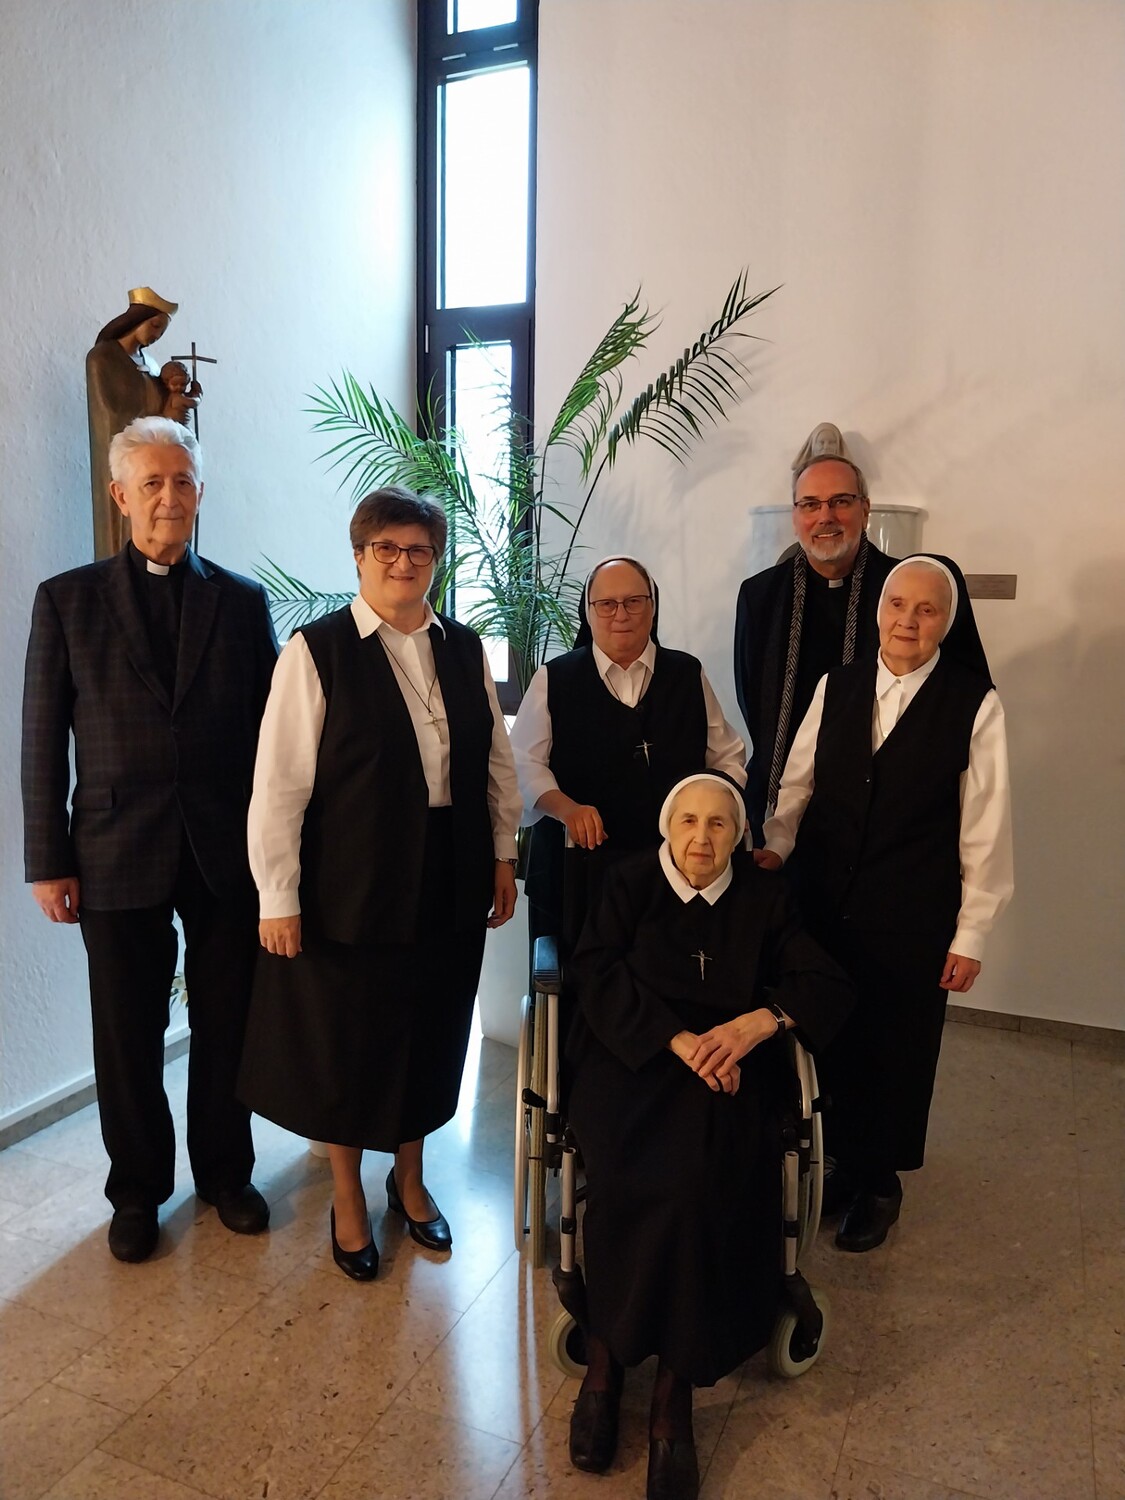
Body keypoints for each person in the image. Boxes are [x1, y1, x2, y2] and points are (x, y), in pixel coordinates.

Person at [237, 486, 522, 1281]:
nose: (403, 562)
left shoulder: (463, 647)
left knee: (431, 1030)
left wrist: (503, 853)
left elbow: (494, 762)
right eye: (386, 549)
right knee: (349, 1042)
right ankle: (346, 1195)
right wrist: (277, 895)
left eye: (418, 550)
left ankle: (410, 1180)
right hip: (351, 879)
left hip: (451, 870)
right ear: (359, 556)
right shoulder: (317, 651)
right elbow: (279, 785)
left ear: (435, 560)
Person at [21, 416, 278, 1263]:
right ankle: (135, 1191)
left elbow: (272, 735)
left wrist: (281, 855)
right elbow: (40, 736)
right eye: (153, 483)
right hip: (112, 848)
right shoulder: (68, 599)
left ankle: (226, 1174)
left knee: (227, 1021)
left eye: (183, 481)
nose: (170, 496)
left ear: (201, 493)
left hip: (224, 850)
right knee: (126, 1033)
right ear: (121, 496)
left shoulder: (241, 602)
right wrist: (47, 858)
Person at [565, 772, 852, 1500]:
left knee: (696, 1190)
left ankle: (673, 1391)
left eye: (718, 824)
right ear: (668, 828)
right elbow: (593, 972)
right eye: (688, 821)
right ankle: (605, 1362)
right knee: (624, 1176)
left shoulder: (764, 898)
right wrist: (675, 1039)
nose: (701, 838)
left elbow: (824, 981)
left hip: (726, 1073)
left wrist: (758, 1022)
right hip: (633, 1058)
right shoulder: (628, 882)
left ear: (738, 834)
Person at [757, 555, 1013, 1252]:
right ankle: (844, 1163)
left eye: (926, 610)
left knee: (895, 1047)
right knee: (830, 1036)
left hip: (912, 912)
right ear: (878, 610)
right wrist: (775, 846)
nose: (907, 620)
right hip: (823, 901)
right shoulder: (835, 685)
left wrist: (971, 935)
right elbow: (798, 784)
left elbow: (985, 828)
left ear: (947, 621)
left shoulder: (973, 704)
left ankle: (880, 1184)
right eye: (897, 604)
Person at [510, 555, 746, 955]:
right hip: (576, 872)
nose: (620, 614)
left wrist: (714, 815)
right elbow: (522, 766)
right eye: (607, 604)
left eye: (634, 602)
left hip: (671, 870)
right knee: (580, 975)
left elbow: (727, 758)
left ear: (652, 608)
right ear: (589, 612)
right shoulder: (554, 678)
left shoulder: (687, 674)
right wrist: (566, 809)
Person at [734, 422, 898, 838]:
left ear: (865, 509)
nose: (825, 516)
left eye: (840, 501)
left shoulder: (900, 590)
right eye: (810, 504)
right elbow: (752, 698)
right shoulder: (760, 596)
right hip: (776, 799)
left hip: (878, 806)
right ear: (795, 517)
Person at [85, 288, 199, 559]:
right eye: (155, 326)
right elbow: (112, 411)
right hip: (126, 459)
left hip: (157, 461)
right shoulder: (103, 358)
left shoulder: (150, 363)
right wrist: (161, 413)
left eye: (162, 332)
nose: (157, 336)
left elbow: (161, 403)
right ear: (138, 319)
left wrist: (177, 400)